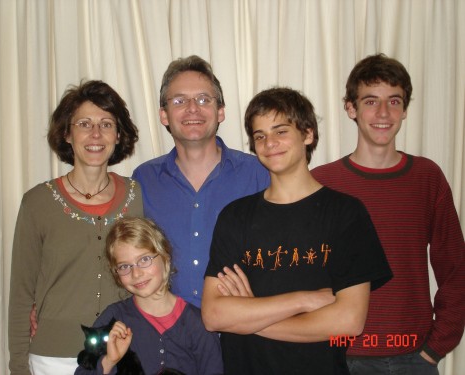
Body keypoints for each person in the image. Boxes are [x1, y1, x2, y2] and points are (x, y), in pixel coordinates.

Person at [202, 87, 393, 374]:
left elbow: (349, 321)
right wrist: (304, 300)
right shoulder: (235, 216)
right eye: (260, 136)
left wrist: (251, 315)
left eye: (280, 131)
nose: (269, 143)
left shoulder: (346, 214)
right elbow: (215, 315)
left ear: (307, 134)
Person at [311, 53, 465, 374]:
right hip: (341, 356)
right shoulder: (321, 182)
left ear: (405, 109)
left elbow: (454, 268)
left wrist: (436, 348)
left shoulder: (427, 177)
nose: (383, 113)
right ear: (351, 108)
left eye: (394, 101)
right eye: (370, 101)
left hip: (413, 358)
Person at [8, 80, 143, 375]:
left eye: (106, 124)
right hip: (52, 359)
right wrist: (18, 366)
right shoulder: (37, 203)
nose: (96, 134)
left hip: (120, 355)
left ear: (119, 135)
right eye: (84, 123)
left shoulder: (138, 197)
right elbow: (21, 295)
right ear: (67, 134)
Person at [132, 55, 270, 307]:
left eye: (204, 99)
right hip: (168, 335)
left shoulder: (259, 173)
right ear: (164, 115)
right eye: (179, 100)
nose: (192, 108)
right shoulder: (143, 180)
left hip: (241, 330)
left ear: (220, 112)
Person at [74, 217, 223, 375]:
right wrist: (109, 361)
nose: (136, 273)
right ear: (116, 273)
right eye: (124, 266)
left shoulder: (197, 324)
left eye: (144, 259)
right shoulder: (113, 319)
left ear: (165, 257)